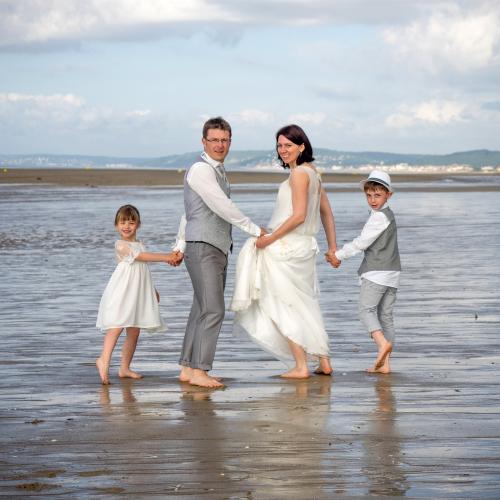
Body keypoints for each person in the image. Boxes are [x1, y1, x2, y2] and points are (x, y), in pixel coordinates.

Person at [230, 124, 338, 379]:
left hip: (288, 247)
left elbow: (299, 215)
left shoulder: (300, 174)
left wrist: (270, 238)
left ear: (302, 146)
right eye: (280, 145)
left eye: (288, 145)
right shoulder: (313, 173)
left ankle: (301, 366)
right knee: (304, 304)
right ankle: (323, 361)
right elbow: (325, 213)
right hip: (303, 246)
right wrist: (332, 247)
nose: (283, 150)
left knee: (283, 304)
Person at [172, 117, 266, 388]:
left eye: (224, 140)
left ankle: (188, 370)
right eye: (214, 139)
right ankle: (200, 371)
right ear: (204, 141)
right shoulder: (201, 170)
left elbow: (188, 213)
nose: (220, 145)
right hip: (204, 247)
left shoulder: (218, 171)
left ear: (230, 142)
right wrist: (254, 229)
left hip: (213, 246)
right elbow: (220, 205)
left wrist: (179, 245)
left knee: (201, 308)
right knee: (213, 310)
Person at [327, 170, 401, 374]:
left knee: (365, 310)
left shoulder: (378, 218)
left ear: (388, 195)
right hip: (393, 272)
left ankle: (382, 345)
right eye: (369, 195)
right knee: (385, 316)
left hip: (377, 272)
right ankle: (385, 364)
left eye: (377, 195)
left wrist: (338, 255)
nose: (372, 200)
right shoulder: (388, 215)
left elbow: (361, 242)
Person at [96, 204, 178, 385]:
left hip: (138, 291)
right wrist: (167, 257)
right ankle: (104, 360)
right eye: (123, 222)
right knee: (117, 324)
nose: (127, 226)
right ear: (116, 225)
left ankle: (124, 367)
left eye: (131, 222)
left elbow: (143, 269)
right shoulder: (121, 245)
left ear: (138, 225)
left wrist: (152, 290)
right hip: (123, 290)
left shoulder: (140, 244)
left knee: (134, 329)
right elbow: (140, 257)